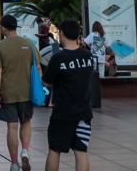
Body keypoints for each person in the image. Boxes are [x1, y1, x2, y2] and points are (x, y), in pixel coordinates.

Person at [41, 19, 93, 171]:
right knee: (81, 151)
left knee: (54, 150)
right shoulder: (87, 56)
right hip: (84, 113)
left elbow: (46, 82)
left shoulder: (58, 58)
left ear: (62, 33)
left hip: (62, 114)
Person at [0, 14, 41, 171]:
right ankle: (25, 151)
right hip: (27, 92)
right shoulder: (29, 44)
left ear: (4, 28)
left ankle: (14, 163)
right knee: (26, 122)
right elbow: (38, 67)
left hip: (8, 93)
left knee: (12, 127)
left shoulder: (0, 47)